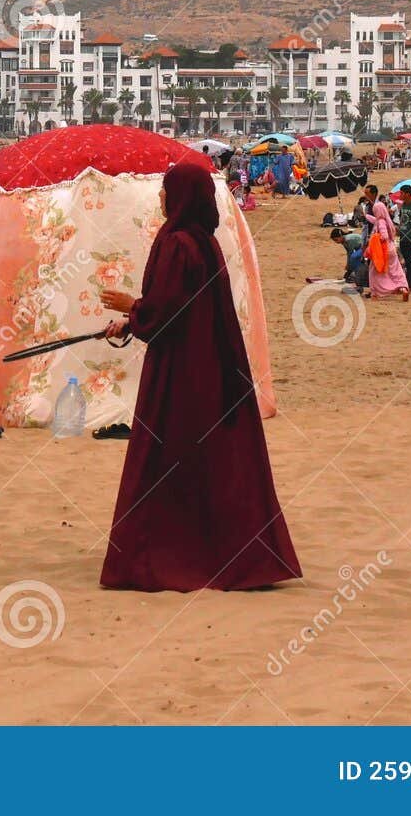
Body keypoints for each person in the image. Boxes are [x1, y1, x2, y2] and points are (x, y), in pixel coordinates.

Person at [97, 162, 301, 592]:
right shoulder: (205, 242)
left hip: (180, 372)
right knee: (215, 459)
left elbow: (167, 310)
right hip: (211, 366)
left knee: (171, 457)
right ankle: (228, 555)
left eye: (166, 190)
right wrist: (134, 321)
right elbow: (183, 307)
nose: (160, 197)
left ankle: (169, 558)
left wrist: (132, 308)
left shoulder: (177, 243)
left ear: (182, 197)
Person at [366, 200, 410, 301]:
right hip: (391, 249)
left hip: (382, 250)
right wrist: (367, 216)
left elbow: (384, 236)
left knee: (374, 272)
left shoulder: (381, 222)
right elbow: (375, 221)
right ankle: (403, 288)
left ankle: (375, 293)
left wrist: (376, 238)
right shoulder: (387, 220)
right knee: (396, 271)